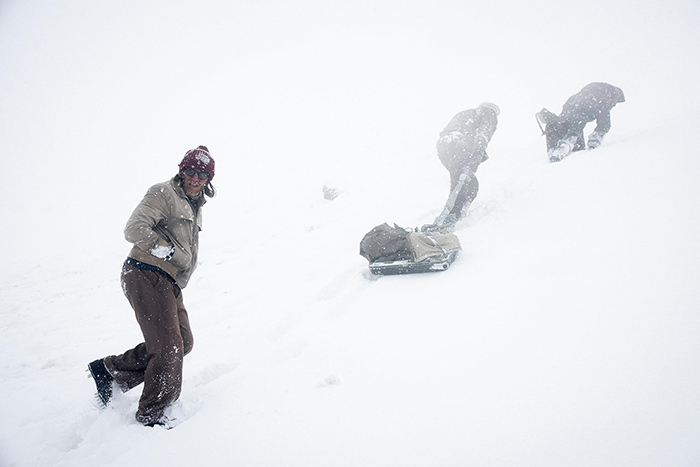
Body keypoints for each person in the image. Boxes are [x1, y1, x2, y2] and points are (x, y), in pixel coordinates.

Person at [87, 145, 216, 427]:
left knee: (184, 342)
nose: (195, 177)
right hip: (145, 272)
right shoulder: (163, 192)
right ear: (181, 170)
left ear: (209, 179)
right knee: (169, 347)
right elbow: (134, 229)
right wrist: (167, 252)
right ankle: (152, 415)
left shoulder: (194, 206)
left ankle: (110, 370)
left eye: (202, 174)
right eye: (190, 170)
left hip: (167, 282)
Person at [436, 102, 499, 224]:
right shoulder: (489, 113)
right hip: (460, 144)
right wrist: (478, 152)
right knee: (468, 185)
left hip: (444, 146)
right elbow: (483, 133)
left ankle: (452, 212)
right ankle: (453, 216)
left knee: (462, 180)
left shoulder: (466, 113)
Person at [536, 82, 625, 162]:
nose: (614, 105)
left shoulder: (598, 91)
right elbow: (604, 123)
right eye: (616, 102)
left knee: (566, 122)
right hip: (581, 105)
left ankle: (559, 141)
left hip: (572, 104)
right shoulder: (606, 97)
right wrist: (595, 139)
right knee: (577, 124)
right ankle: (565, 146)